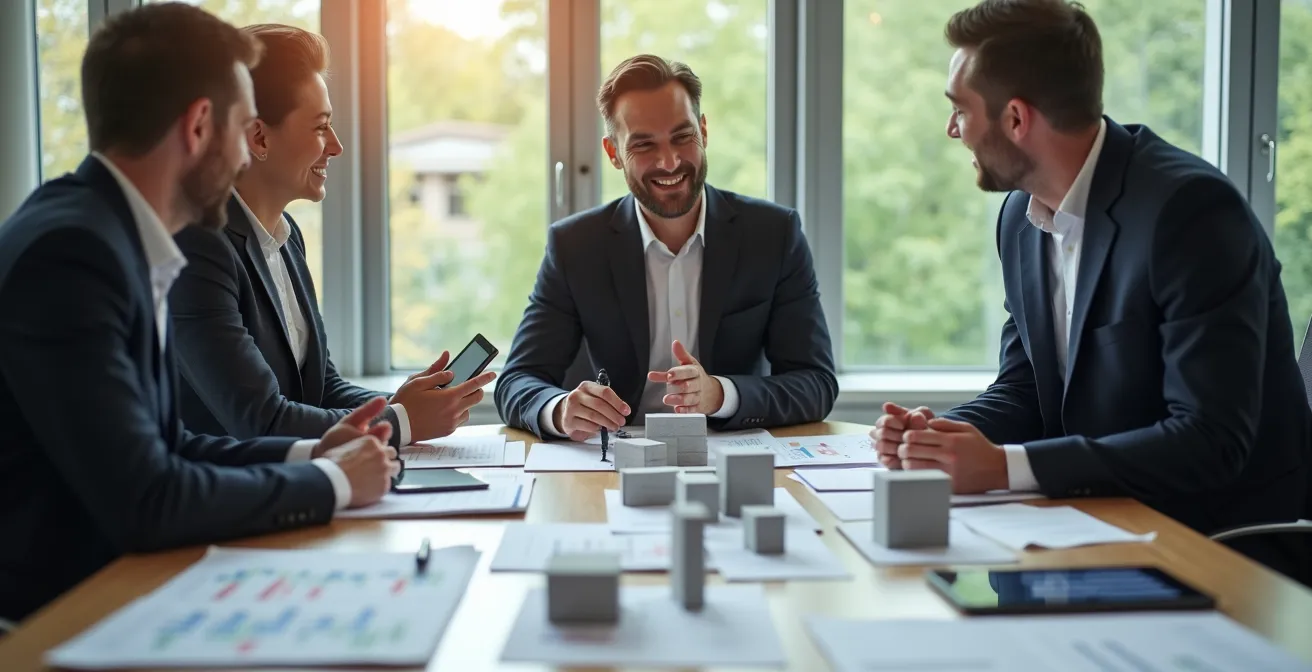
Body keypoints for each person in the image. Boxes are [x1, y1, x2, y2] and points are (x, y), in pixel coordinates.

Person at [872, 0, 1310, 577]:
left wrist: (1003, 468)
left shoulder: (1191, 213)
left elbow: (1208, 441)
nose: (952, 129)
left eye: (959, 110)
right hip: (1097, 529)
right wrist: (940, 438)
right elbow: (1027, 389)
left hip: (1220, 546)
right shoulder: (1020, 220)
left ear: (1017, 119)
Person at [0, 3, 398, 624]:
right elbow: (148, 496)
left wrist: (317, 454)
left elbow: (170, 445)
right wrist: (334, 483)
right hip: (64, 614)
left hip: (123, 585)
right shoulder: (72, 253)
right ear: (199, 128)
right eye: (245, 130)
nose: (247, 158)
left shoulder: (115, 235)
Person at [168, 24, 495, 448]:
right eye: (321, 127)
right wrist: (401, 421)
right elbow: (261, 420)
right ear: (259, 137)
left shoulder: (286, 238)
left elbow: (321, 389)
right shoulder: (197, 248)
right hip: (227, 503)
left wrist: (401, 404)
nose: (336, 146)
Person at [495, 54, 837, 441]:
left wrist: (720, 394)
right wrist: (559, 411)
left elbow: (816, 383)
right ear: (613, 154)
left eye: (682, 137)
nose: (670, 161)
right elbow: (518, 382)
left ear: (703, 132)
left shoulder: (774, 234)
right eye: (644, 145)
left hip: (731, 460)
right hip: (610, 467)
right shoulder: (575, 246)